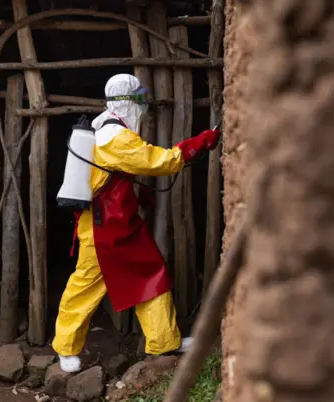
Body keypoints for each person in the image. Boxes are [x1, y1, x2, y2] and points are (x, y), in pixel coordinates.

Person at [52, 73, 221, 373]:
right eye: (139, 99)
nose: (143, 107)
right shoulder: (117, 138)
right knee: (85, 288)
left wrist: (139, 196)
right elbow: (160, 161)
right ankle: (65, 349)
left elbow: (114, 175)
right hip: (104, 231)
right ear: (127, 102)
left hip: (121, 225)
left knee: (151, 276)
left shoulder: (104, 127)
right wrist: (199, 143)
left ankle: (164, 341)